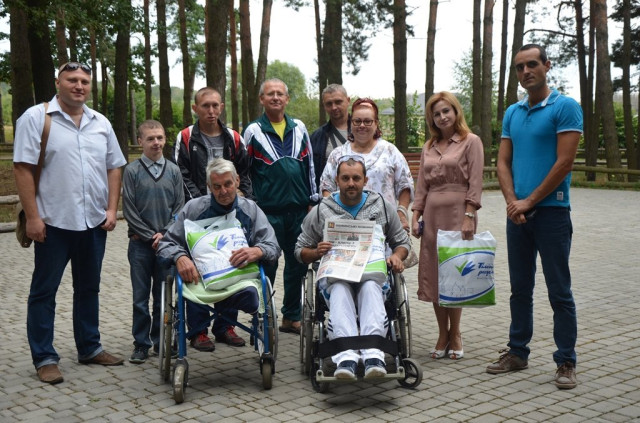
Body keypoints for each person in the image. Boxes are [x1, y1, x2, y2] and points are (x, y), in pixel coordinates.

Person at [13, 62, 127, 384]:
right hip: (53, 223)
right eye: (72, 80)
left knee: (89, 288)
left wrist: (111, 209)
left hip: (93, 223)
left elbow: (114, 166)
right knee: (44, 291)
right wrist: (33, 217)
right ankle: (45, 357)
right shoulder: (36, 118)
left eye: (84, 81)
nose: (79, 86)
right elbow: (22, 168)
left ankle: (90, 347)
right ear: (58, 82)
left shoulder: (100, 122)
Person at [486, 44, 583, 390]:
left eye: (531, 64)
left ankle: (566, 361)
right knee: (520, 289)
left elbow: (564, 163)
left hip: (552, 214)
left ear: (547, 65)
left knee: (559, 290)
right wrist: (513, 203)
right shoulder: (513, 112)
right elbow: (503, 162)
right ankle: (517, 352)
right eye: (519, 67)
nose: (525, 72)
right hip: (519, 216)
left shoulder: (565, 107)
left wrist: (529, 201)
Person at [295, 156, 410, 379]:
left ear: (365, 180)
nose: (351, 183)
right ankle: (345, 357)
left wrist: (397, 256)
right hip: (336, 276)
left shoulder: (381, 206)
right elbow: (299, 250)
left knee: (370, 287)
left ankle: (373, 355)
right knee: (339, 289)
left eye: (356, 178)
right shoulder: (322, 210)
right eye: (345, 178)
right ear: (337, 180)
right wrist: (316, 252)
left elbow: (402, 241)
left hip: (372, 275)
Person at [156, 158, 281, 349]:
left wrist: (258, 250)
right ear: (209, 187)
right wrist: (180, 257)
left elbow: (272, 245)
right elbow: (166, 243)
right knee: (191, 275)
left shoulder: (250, 210)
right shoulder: (194, 209)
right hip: (200, 277)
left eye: (228, 184)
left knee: (251, 287)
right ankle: (198, 332)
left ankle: (225, 328)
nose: (223, 191)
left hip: (237, 277)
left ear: (237, 181)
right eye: (217, 186)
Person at [175, 87, 252, 350]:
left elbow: (244, 172)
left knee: (229, 263)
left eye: (215, 105)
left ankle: (225, 326)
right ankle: (198, 330)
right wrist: (202, 204)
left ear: (221, 107)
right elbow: (182, 174)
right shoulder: (186, 137)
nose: (211, 111)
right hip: (199, 215)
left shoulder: (234, 138)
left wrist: (246, 198)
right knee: (198, 266)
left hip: (230, 211)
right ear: (195, 108)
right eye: (205, 106)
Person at [411, 92, 484, 361]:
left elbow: (475, 182)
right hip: (432, 214)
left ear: (456, 112)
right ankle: (442, 333)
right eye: (436, 113)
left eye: (446, 111)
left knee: (455, 275)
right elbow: (422, 185)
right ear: (431, 118)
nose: (442, 117)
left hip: (458, 213)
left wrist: (469, 215)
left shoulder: (471, 141)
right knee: (434, 275)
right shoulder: (429, 146)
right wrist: (416, 214)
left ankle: (456, 334)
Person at [243, 78, 319, 335]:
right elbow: (245, 171)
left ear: (287, 99)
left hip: (299, 211)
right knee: (268, 264)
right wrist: (252, 206)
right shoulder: (253, 131)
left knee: (298, 264)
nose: (275, 97)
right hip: (268, 213)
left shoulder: (299, 127)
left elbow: (309, 165)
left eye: (280, 93)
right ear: (262, 99)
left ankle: (291, 317)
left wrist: (313, 199)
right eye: (270, 94)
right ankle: (263, 316)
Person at [122, 120, 185, 364]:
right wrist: (150, 236)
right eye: (150, 139)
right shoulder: (132, 171)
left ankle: (161, 341)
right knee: (140, 298)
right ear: (140, 142)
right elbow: (129, 210)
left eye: (159, 137)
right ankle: (141, 343)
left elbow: (179, 208)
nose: (156, 142)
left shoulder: (174, 171)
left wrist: (165, 234)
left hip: (166, 246)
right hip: (140, 245)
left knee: (163, 296)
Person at [319, 98, 414, 232]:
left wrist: (401, 213)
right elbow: (326, 186)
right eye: (357, 121)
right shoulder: (338, 154)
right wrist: (332, 214)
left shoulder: (390, 151)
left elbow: (405, 185)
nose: (362, 125)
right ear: (351, 123)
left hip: (384, 225)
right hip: (345, 226)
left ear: (376, 123)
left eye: (368, 121)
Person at [310, 84, 351, 188]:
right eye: (329, 104)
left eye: (338, 102)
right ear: (324, 106)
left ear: (348, 101)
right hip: (329, 194)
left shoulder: (363, 130)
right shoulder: (316, 137)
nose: (334, 107)